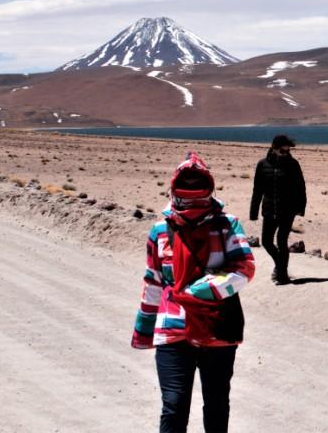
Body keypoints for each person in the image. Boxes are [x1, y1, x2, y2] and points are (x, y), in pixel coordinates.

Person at [131, 152, 256, 433]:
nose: (191, 190)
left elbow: (244, 268)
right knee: (174, 406)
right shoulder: (160, 230)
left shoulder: (227, 225)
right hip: (172, 327)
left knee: (216, 404)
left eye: (196, 183)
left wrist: (201, 291)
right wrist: (144, 329)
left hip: (216, 328)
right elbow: (153, 281)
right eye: (186, 183)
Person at [249, 133, 307, 285]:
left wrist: (301, 208)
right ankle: (280, 267)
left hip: (287, 210)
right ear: (273, 148)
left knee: (282, 241)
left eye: (288, 151)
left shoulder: (293, 164)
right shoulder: (262, 165)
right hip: (269, 209)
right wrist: (254, 212)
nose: (286, 154)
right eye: (282, 151)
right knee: (266, 242)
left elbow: (300, 187)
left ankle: (282, 275)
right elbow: (257, 190)